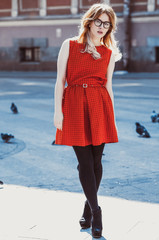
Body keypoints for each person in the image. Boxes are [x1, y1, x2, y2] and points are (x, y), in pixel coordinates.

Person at [54, 3, 121, 238]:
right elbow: (60, 80)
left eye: (107, 24)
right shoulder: (70, 45)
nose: (103, 27)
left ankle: (87, 209)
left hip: (99, 106)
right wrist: (57, 112)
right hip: (73, 105)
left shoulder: (109, 53)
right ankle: (96, 211)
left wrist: (111, 115)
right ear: (89, 21)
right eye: (99, 22)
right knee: (84, 162)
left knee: (95, 162)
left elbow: (108, 85)